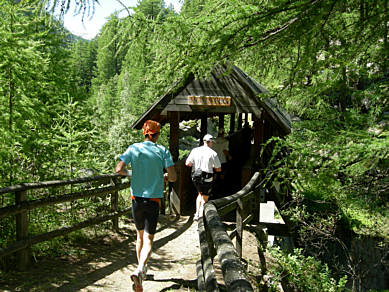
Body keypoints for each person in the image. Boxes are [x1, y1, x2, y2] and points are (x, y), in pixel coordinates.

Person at [115, 120, 177, 292]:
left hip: (136, 199)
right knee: (149, 239)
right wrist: (163, 175)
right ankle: (141, 269)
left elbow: (118, 169)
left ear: (144, 133)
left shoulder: (133, 148)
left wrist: (132, 173)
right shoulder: (163, 151)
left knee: (139, 237)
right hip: (153, 200)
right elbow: (173, 177)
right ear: (156, 135)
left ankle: (140, 270)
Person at [185, 134, 221, 220]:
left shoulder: (195, 150)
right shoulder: (213, 153)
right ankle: (201, 216)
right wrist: (212, 166)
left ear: (204, 141)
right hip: (207, 178)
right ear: (210, 142)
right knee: (205, 197)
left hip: (196, 177)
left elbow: (188, 163)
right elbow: (218, 169)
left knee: (199, 194)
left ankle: (196, 214)